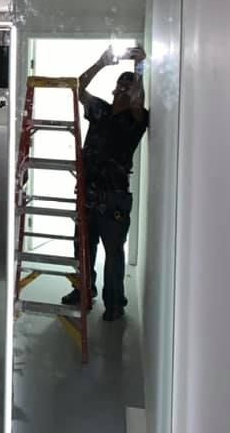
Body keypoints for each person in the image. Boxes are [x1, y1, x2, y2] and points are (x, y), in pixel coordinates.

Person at [61, 46, 148, 322]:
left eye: (129, 86)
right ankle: (83, 290)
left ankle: (114, 303)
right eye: (120, 85)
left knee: (113, 252)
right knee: (83, 246)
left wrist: (140, 68)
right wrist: (101, 62)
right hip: (88, 192)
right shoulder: (100, 110)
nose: (124, 89)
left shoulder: (137, 119)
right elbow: (79, 87)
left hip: (114, 198)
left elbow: (136, 100)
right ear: (113, 90)